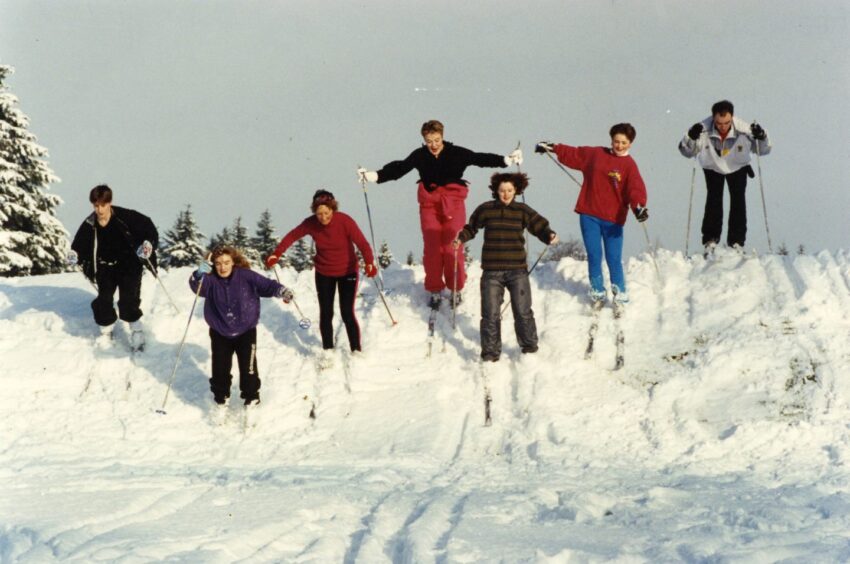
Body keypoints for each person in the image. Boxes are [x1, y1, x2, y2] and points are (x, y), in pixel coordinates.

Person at [357, 119, 523, 310]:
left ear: (442, 137)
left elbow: (479, 158)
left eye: (436, 140)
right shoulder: (420, 155)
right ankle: (435, 289)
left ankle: (455, 288)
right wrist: (374, 176)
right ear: (424, 139)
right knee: (433, 247)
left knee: (453, 243)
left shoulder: (456, 153)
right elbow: (399, 168)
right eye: (429, 141)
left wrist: (506, 160)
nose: (433, 145)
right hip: (429, 205)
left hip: (453, 203)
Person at [537, 123, 648, 306]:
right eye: (616, 141)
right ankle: (597, 290)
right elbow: (576, 153)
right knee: (594, 254)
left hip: (613, 220)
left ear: (630, 144)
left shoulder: (629, 165)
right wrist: (552, 148)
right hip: (589, 214)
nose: (619, 146)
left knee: (613, 257)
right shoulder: (597, 154)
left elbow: (635, 190)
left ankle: (619, 291)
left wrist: (639, 207)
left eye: (623, 143)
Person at [454, 172, 557, 362]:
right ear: (496, 191)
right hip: (491, 271)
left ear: (516, 190)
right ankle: (490, 353)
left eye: (510, 190)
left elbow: (540, 226)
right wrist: (461, 238)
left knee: (522, 311)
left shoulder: (522, 210)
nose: (506, 194)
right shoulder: (486, 209)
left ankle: (530, 349)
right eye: (502, 190)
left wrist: (549, 235)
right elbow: (471, 227)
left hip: (517, 269)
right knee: (490, 313)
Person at [265, 190, 377, 359]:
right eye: (319, 214)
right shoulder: (310, 223)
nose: (323, 217)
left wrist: (369, 262)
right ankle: (328, 350)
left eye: (326, 213)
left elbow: (362, 243)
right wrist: (276, 254)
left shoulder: (345, 221)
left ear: (333, 209)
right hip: (324, 272)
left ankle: (356, 350)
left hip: (347, 271)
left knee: (347, 311)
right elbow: (292, 236)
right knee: (326, 312)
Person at [190, 246, 293, 406]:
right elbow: (198, 288)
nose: (222, 267)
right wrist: (198, 275)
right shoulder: (210, 280)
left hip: (246, 330)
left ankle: (251, 398)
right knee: (220, 371)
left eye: (226, 262)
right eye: (218, 263)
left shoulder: (245, 276)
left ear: (233, 262)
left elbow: (267, 285)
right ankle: (220, 400)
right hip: (220, 332)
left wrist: (282, 291)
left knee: (249, 369)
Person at [70, 184, 158, 351]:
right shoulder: (90, 223)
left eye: (103, 205)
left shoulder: (125, 216)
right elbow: (79, 244)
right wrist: (75, 254)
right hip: (105, 266)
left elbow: (148, 227)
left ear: (110, 203)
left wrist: (148, 244)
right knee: (103, 299)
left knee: (128, 299)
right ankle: (106, 331)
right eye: (96, 205)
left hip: (129, 264)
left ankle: (136, 331)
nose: (99, 209)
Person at [678, 99, 771, 255]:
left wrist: (762, 136)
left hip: (738, 165)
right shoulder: (702, 128)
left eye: (727, 122)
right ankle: (710, 240)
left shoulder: (744, 129)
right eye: (719, 123)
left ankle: (736, 242)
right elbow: (687, 152)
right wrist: (690, 137)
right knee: (713, 200)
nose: (723, 127)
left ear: (732, 117)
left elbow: (763, 150)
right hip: (713, 166)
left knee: (738, 201)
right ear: (713, 118)